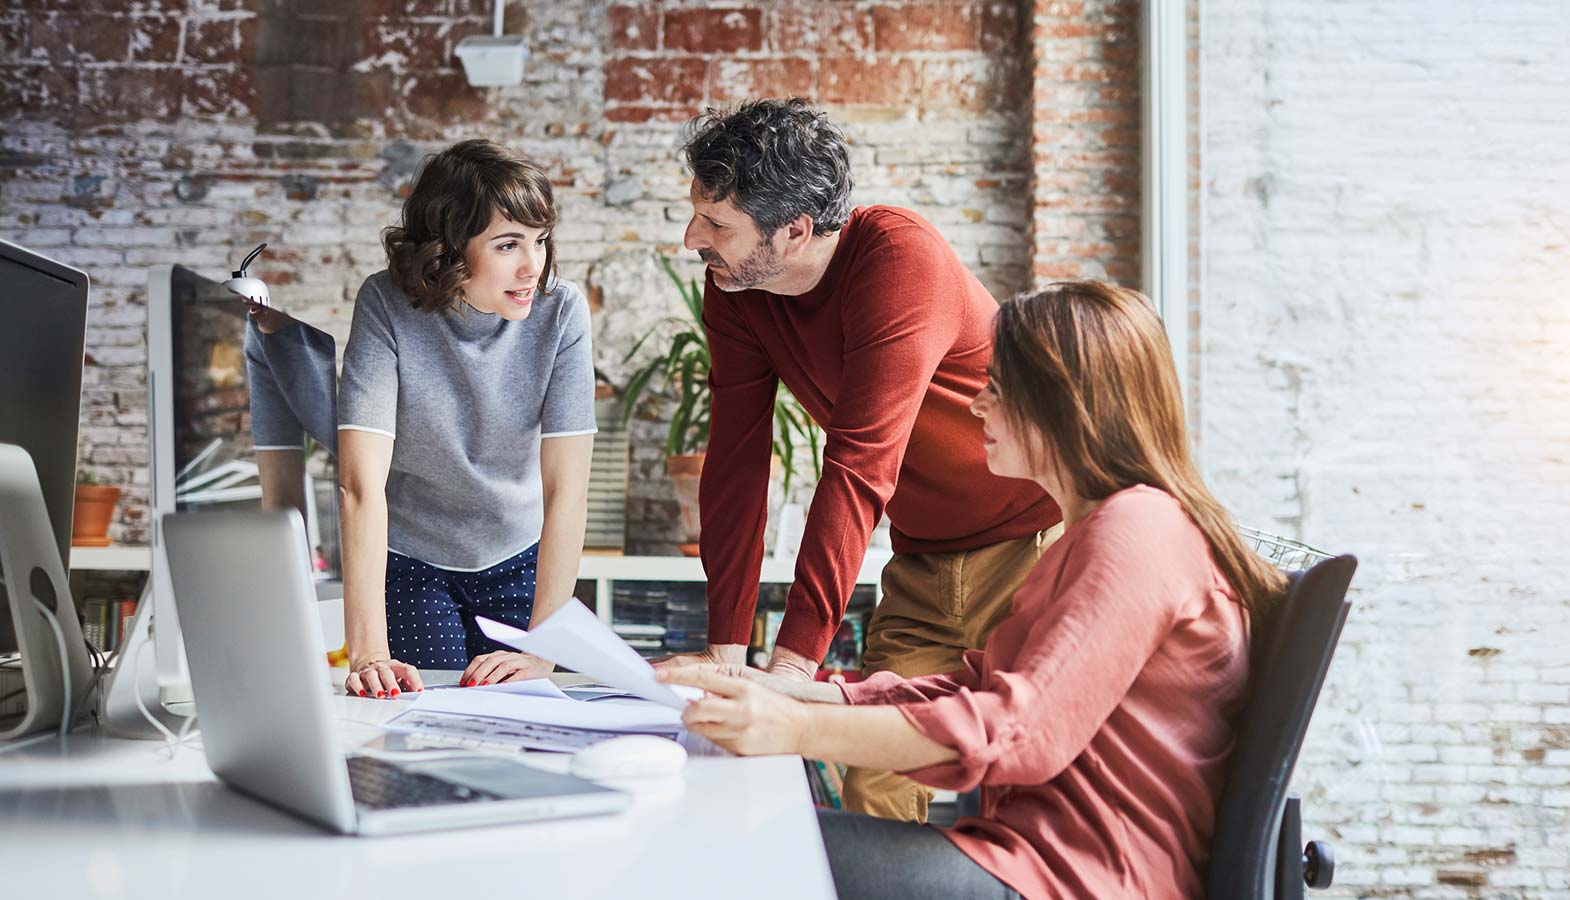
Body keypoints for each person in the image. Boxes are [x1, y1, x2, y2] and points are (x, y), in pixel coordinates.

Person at [659, 281, 1288, 900]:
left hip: (1078, 878)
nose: (977, 404)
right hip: (1029, 857)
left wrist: (794, 728)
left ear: (1064, 403)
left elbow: (1015, 730)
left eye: (1000, 386)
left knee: (726, 841)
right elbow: (977, 687)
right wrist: (800, 692)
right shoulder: (1098, 532)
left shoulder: (1136, 532)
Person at [658, 98, 1062, 822]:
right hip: (925, 565)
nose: (694, 239)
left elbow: (859, 463)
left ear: (796, 230)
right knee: (875, 788)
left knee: (1035, 781)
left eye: (717, 224)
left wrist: (787, 672)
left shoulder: (898, 258)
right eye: (697, 215)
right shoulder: (738, 288)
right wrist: (726, 653)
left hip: (1033, 551)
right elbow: (738, 461)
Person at [338, 139, 597, 700]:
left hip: (520, 555)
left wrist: (545, 647)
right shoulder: (386, 304)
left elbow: (567, 489)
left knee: (523, 716)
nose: (534, 267)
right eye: (508, 245)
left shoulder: (562, 311)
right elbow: (360, 484)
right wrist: (368, 652)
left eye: (540, 241)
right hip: (414, 563)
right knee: (426, 715)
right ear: (450, 249)